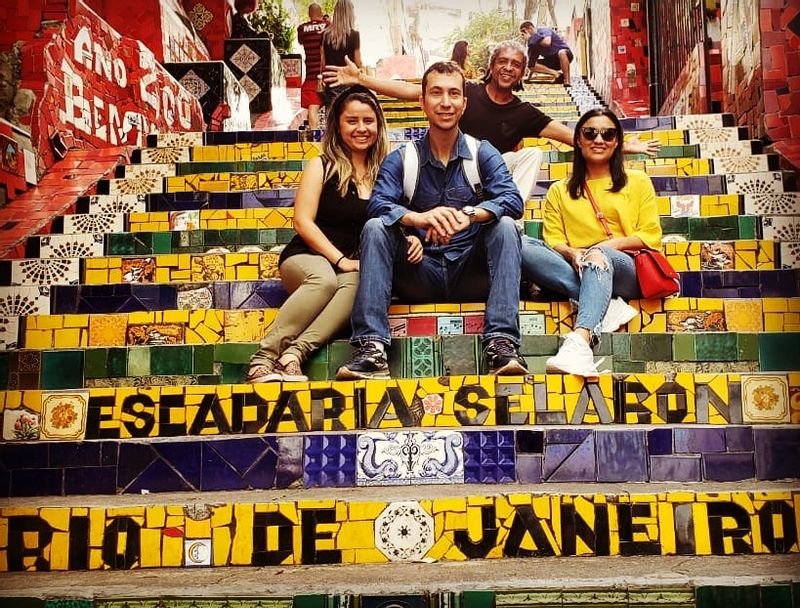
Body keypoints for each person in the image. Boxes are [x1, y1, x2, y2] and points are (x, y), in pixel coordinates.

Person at [335, 61, 528, 381]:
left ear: (464, 104)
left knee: (506, 225)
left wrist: (470, 215)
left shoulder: (483, 153)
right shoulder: (402, 158)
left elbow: (512, 200)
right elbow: (378, 205)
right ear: (422, 101)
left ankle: (502, 343)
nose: (446, 102)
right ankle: (371, 348)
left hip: (471, 269)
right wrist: (417, 219)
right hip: (418, 272)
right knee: (375, 228)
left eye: (454, 93)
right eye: (436, 93)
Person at [323, 40, 659, 202]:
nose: (509, 67)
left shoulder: (524, 112)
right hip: (453, 171)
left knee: (532, 154)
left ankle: (507, 213)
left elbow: (570, 135)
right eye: (503, 61)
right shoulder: (461, 93)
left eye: (516, 63)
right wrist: (364, 80)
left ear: (523, 72)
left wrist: (623, 145)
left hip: (492, 177)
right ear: (493, 65)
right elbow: (410, 91)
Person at [245, 86, 418, 382]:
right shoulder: (322, 165)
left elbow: (396, 218)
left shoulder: (387, 173)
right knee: (323, 280)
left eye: (368, 121)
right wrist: (339, 260)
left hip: (350, 269)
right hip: (306, 257)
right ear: (338, 124)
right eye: (352, 121)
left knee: (362, 283)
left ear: (379, 124)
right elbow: (302, 221)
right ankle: (264, 357)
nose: (361, 128)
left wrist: (411, 237)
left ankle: (294, 354)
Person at [521, 108, 663, 377]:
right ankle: (603, 305)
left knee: (600, 256)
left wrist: (603, 249)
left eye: (608, 134)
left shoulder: (638, 182)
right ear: (578, 140)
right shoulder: (559, 190)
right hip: (578, 266)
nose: (599, 139)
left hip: (627, 267)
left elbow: (649, 236)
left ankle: (581, 342)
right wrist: (573, 252)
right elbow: (553, 240)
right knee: (518, 243)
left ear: (617, 141)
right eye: (590, 133)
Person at [321, 0, 363, 105]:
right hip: (349, 82)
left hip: (331, 82)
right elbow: (358, 63)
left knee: (332, 117)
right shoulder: (354, 35)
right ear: (350, 14)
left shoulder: (325, 35)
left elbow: (323, 62)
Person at [297, 3, 327, 129]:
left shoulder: (302, 28)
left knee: (312, 107)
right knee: (333, 105)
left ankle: (314, 135)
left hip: (311, 75)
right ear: (320, 13)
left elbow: (300, 41)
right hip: (328, 73)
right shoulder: (328, 26)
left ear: (309, 14)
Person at [519, 21, 573, 85]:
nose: (524, 35)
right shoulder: (533, 43)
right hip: (552, 62)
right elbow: (531, 63)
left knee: (561, 53)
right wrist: (528, 79)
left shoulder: (544, 30)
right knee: (530, 64)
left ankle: (567, 80)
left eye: (524, 32)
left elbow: (547, 43)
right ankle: (557, 74)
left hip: (565, 56)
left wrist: (531, 38)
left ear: (530, 28)